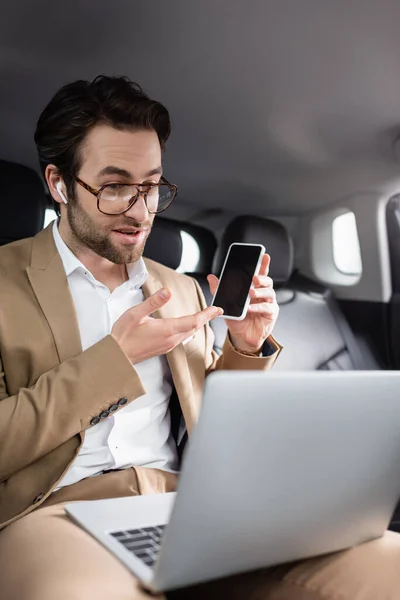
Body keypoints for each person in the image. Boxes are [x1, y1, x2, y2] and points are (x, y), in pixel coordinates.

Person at [0, 76, 398, 600]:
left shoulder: (181, 288)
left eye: (153, 186)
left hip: (190, 507)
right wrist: (111, 364)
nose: (141, 211)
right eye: (116, 186)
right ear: (59, 184)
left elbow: (215, 435)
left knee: (388, 563)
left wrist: (245, 347)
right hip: (57, 513)